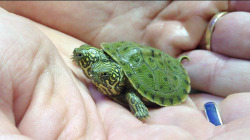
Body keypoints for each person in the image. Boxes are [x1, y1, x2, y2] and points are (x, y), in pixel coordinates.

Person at [0, 1, 249, 139]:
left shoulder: (129, 92)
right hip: (128, 54)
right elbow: (90, 55)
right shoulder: (100, 62)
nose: (97, 73)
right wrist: (81, 56)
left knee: (132, 95)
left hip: (158, 71)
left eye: (106, 75)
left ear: (116, 79)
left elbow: (132, 97)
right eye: (99, 70)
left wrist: (140, 112)